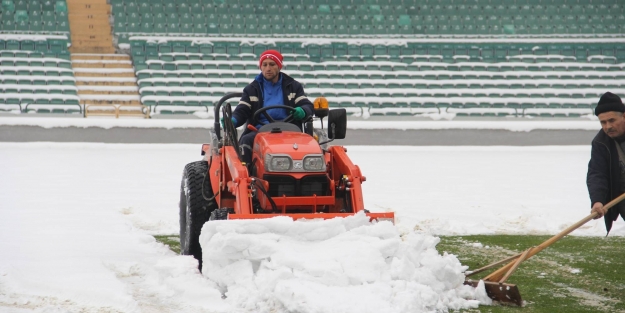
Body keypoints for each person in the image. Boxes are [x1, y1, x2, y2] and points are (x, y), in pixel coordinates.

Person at [229, 49, 314, 165]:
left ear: (279, 66)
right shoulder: (251, 89)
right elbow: (242, 110)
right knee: (246, 140)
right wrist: (233, 120)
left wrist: (303, 111)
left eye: (272, 64)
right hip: (260, 130)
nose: (268, 68)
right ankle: (247, 176)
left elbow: (306, 105)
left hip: (290, 130)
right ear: (260, 67)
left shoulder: (293, 87)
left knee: (311, 144)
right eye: (264, 65)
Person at [587, 91, 625, 234]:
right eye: (603, 122)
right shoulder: (600, 143)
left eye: (612, 120)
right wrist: (597, 201)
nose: (608, 126)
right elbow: (597, 173)